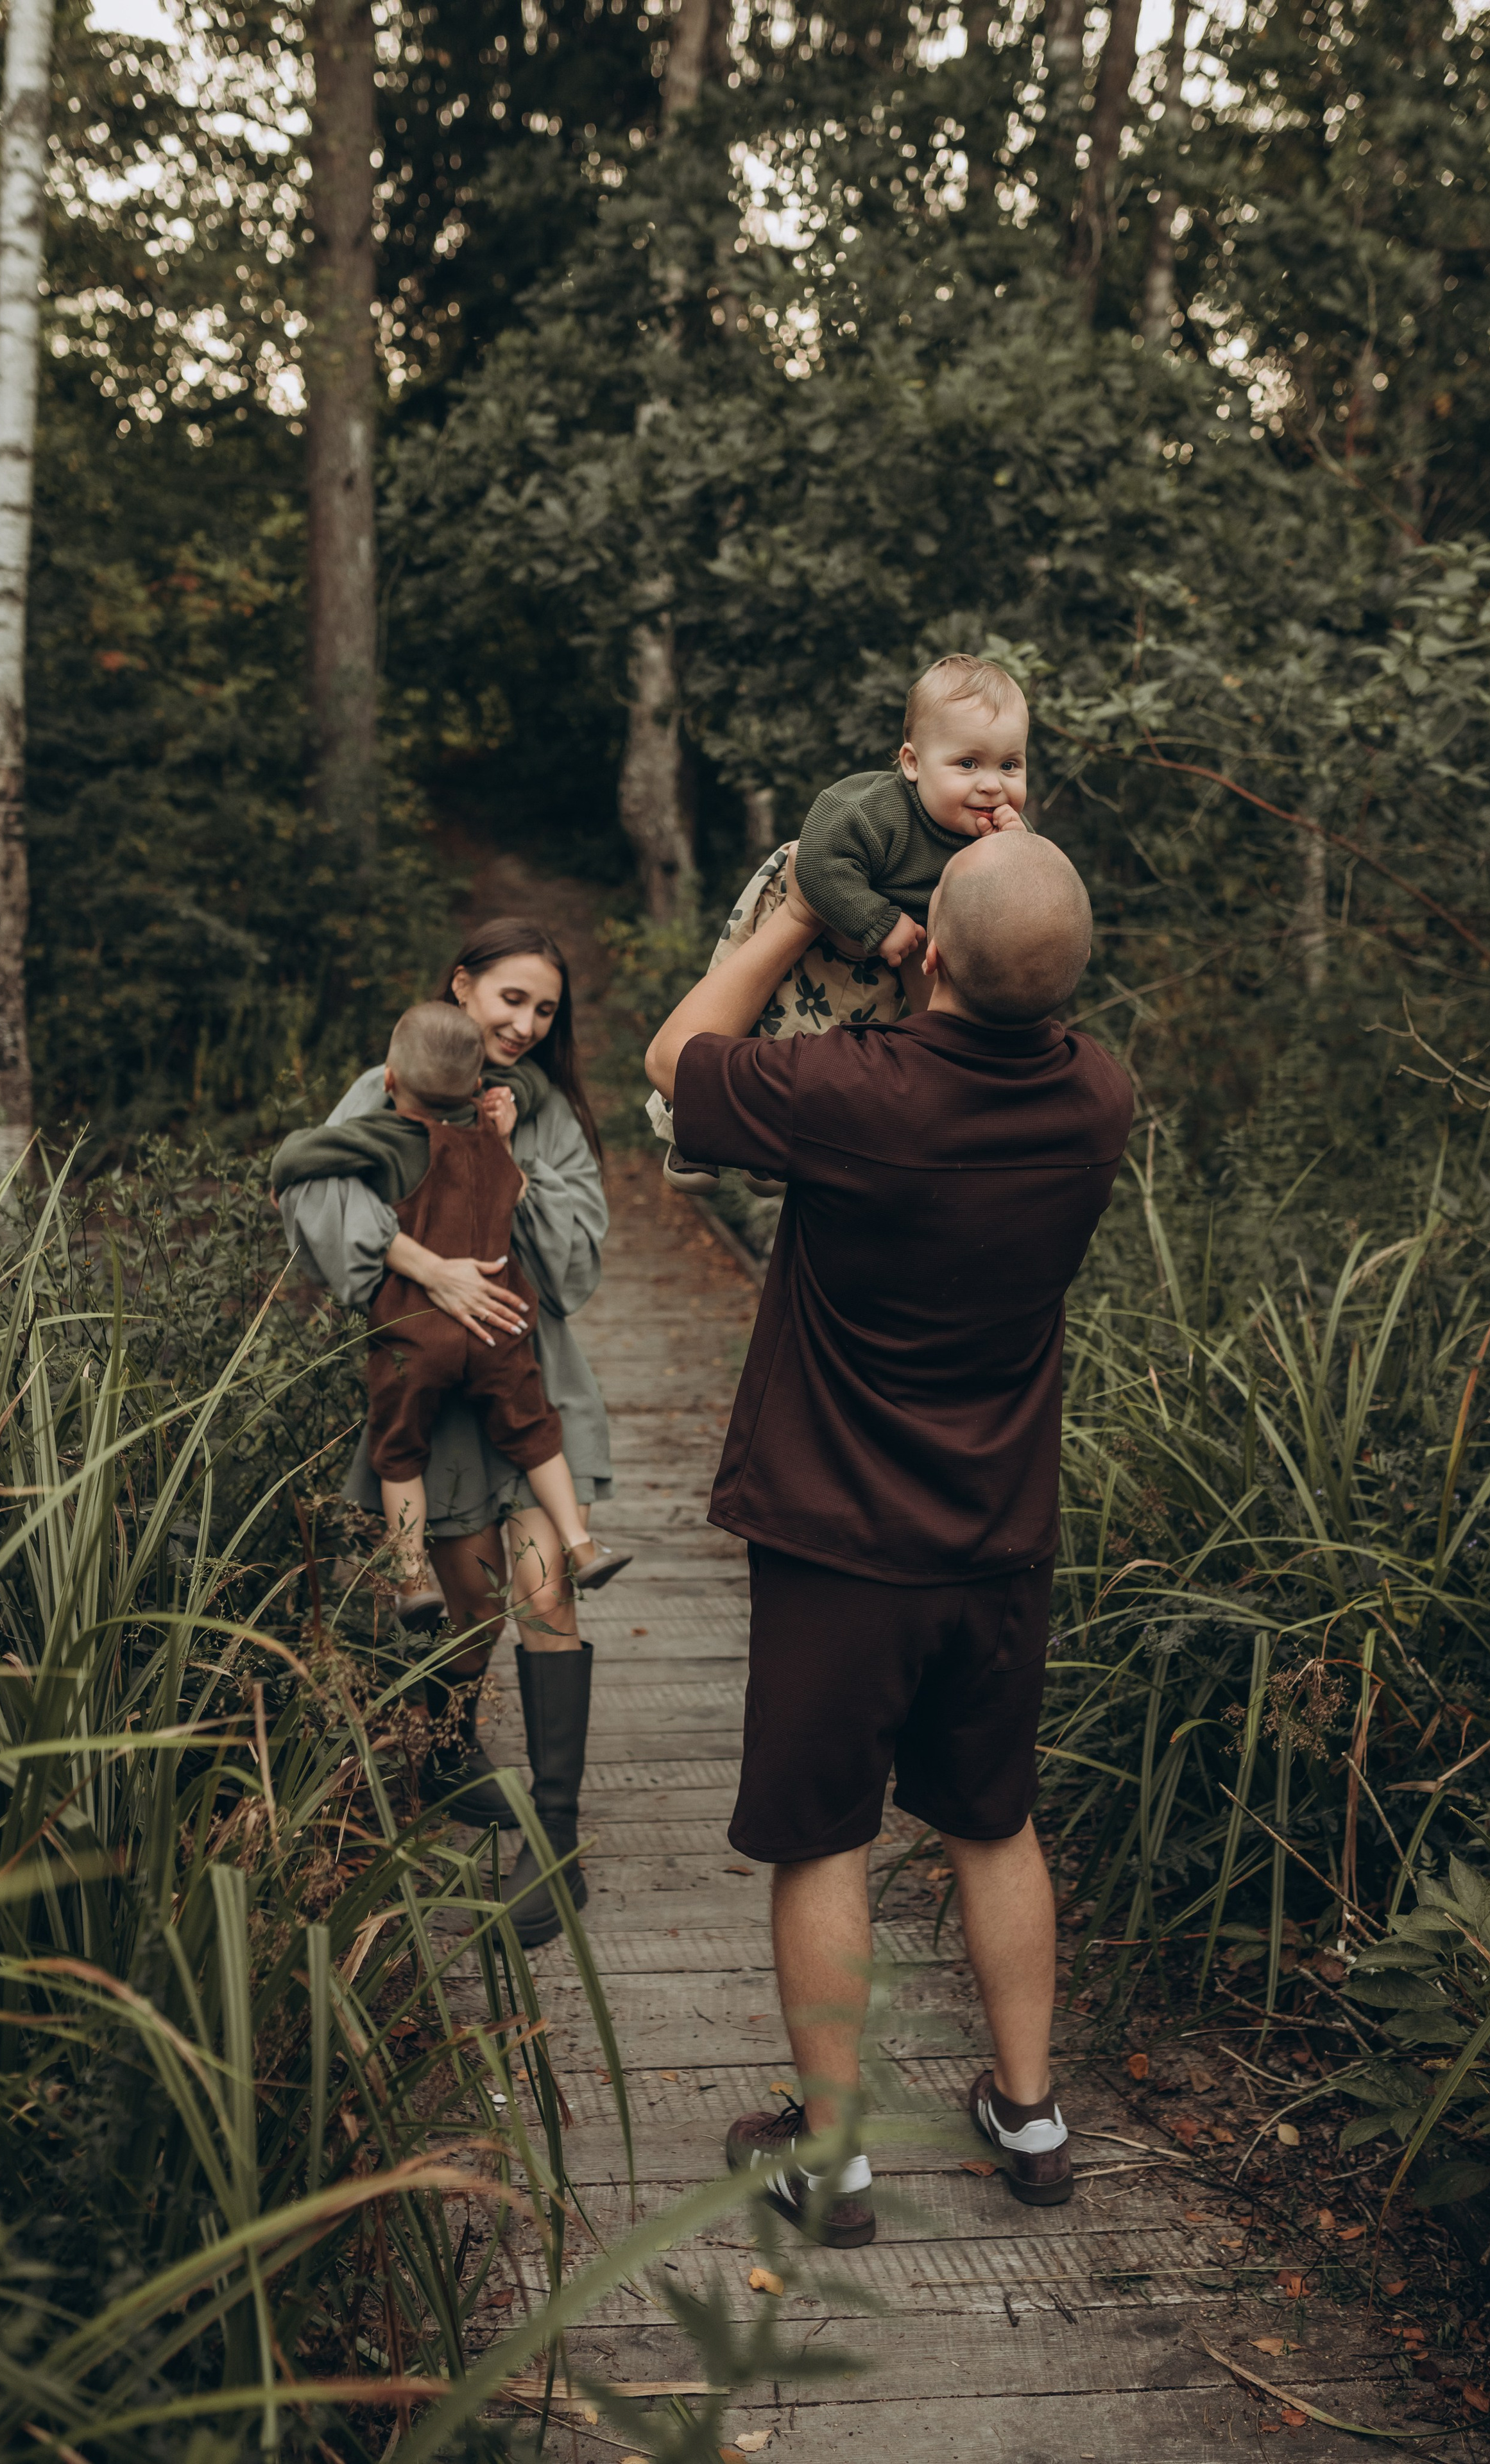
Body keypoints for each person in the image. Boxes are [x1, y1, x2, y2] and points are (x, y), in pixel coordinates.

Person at [644, 828, 1133, 2248]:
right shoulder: (1098, 1096)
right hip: (999, 1534)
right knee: (993, 1820)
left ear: (929, 951)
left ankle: (832, 2160)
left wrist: (802, 909)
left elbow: (678, 1058)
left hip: (838, 1537)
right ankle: (1030, 2117)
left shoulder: (858, 1094)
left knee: (823, 1839)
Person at [277, 920, 615, 1949]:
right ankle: (448, 1751)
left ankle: (554, 1843)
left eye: (546, 1009)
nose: (527, 1023)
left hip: (530, 1377)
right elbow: (314, 1193)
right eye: (512, 998)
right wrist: (430, 1268)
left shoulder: (544, 1113)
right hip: (434, 1392)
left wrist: (510, 1163)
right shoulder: (386, 1088)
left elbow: (576, 1264)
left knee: (545, 1595)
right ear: (461, 987)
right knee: (469, 1606)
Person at [270, 1001, 627, 1621]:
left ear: (389, 1081)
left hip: (417, 1334)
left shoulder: (384, 1137)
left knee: (400, 1452)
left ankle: (412, 1579)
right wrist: (504, 1132)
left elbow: (299, 1156)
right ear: (476, 1085)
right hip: (499, 1327)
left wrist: (286, 1171)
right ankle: (581, 1543)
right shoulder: (491, 1138)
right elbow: (515, 1186)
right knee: (538, 1435)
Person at [655, 654, 1029, 1195]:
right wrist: (879, 920)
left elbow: (1028, 900)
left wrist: (1015, 853)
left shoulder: (1002, 832)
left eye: (1010, 766)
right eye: (968, 764)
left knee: (823, 1047)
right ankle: (689, 1130)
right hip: (822, 907)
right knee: (751, 1010)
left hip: (882, 962)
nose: (993, 786)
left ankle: (768, 1145)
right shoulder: (876, 809)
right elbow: (817, 862)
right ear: (913, 763)